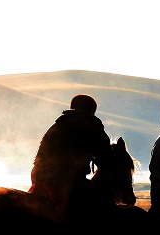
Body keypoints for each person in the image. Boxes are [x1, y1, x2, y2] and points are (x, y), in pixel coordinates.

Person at [29, 94, 113, 222]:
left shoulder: (57, 125)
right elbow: (105, 156)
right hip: (67, 181)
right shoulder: (90, 123)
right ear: (91, 110)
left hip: (38, 177)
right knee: (101, 208)